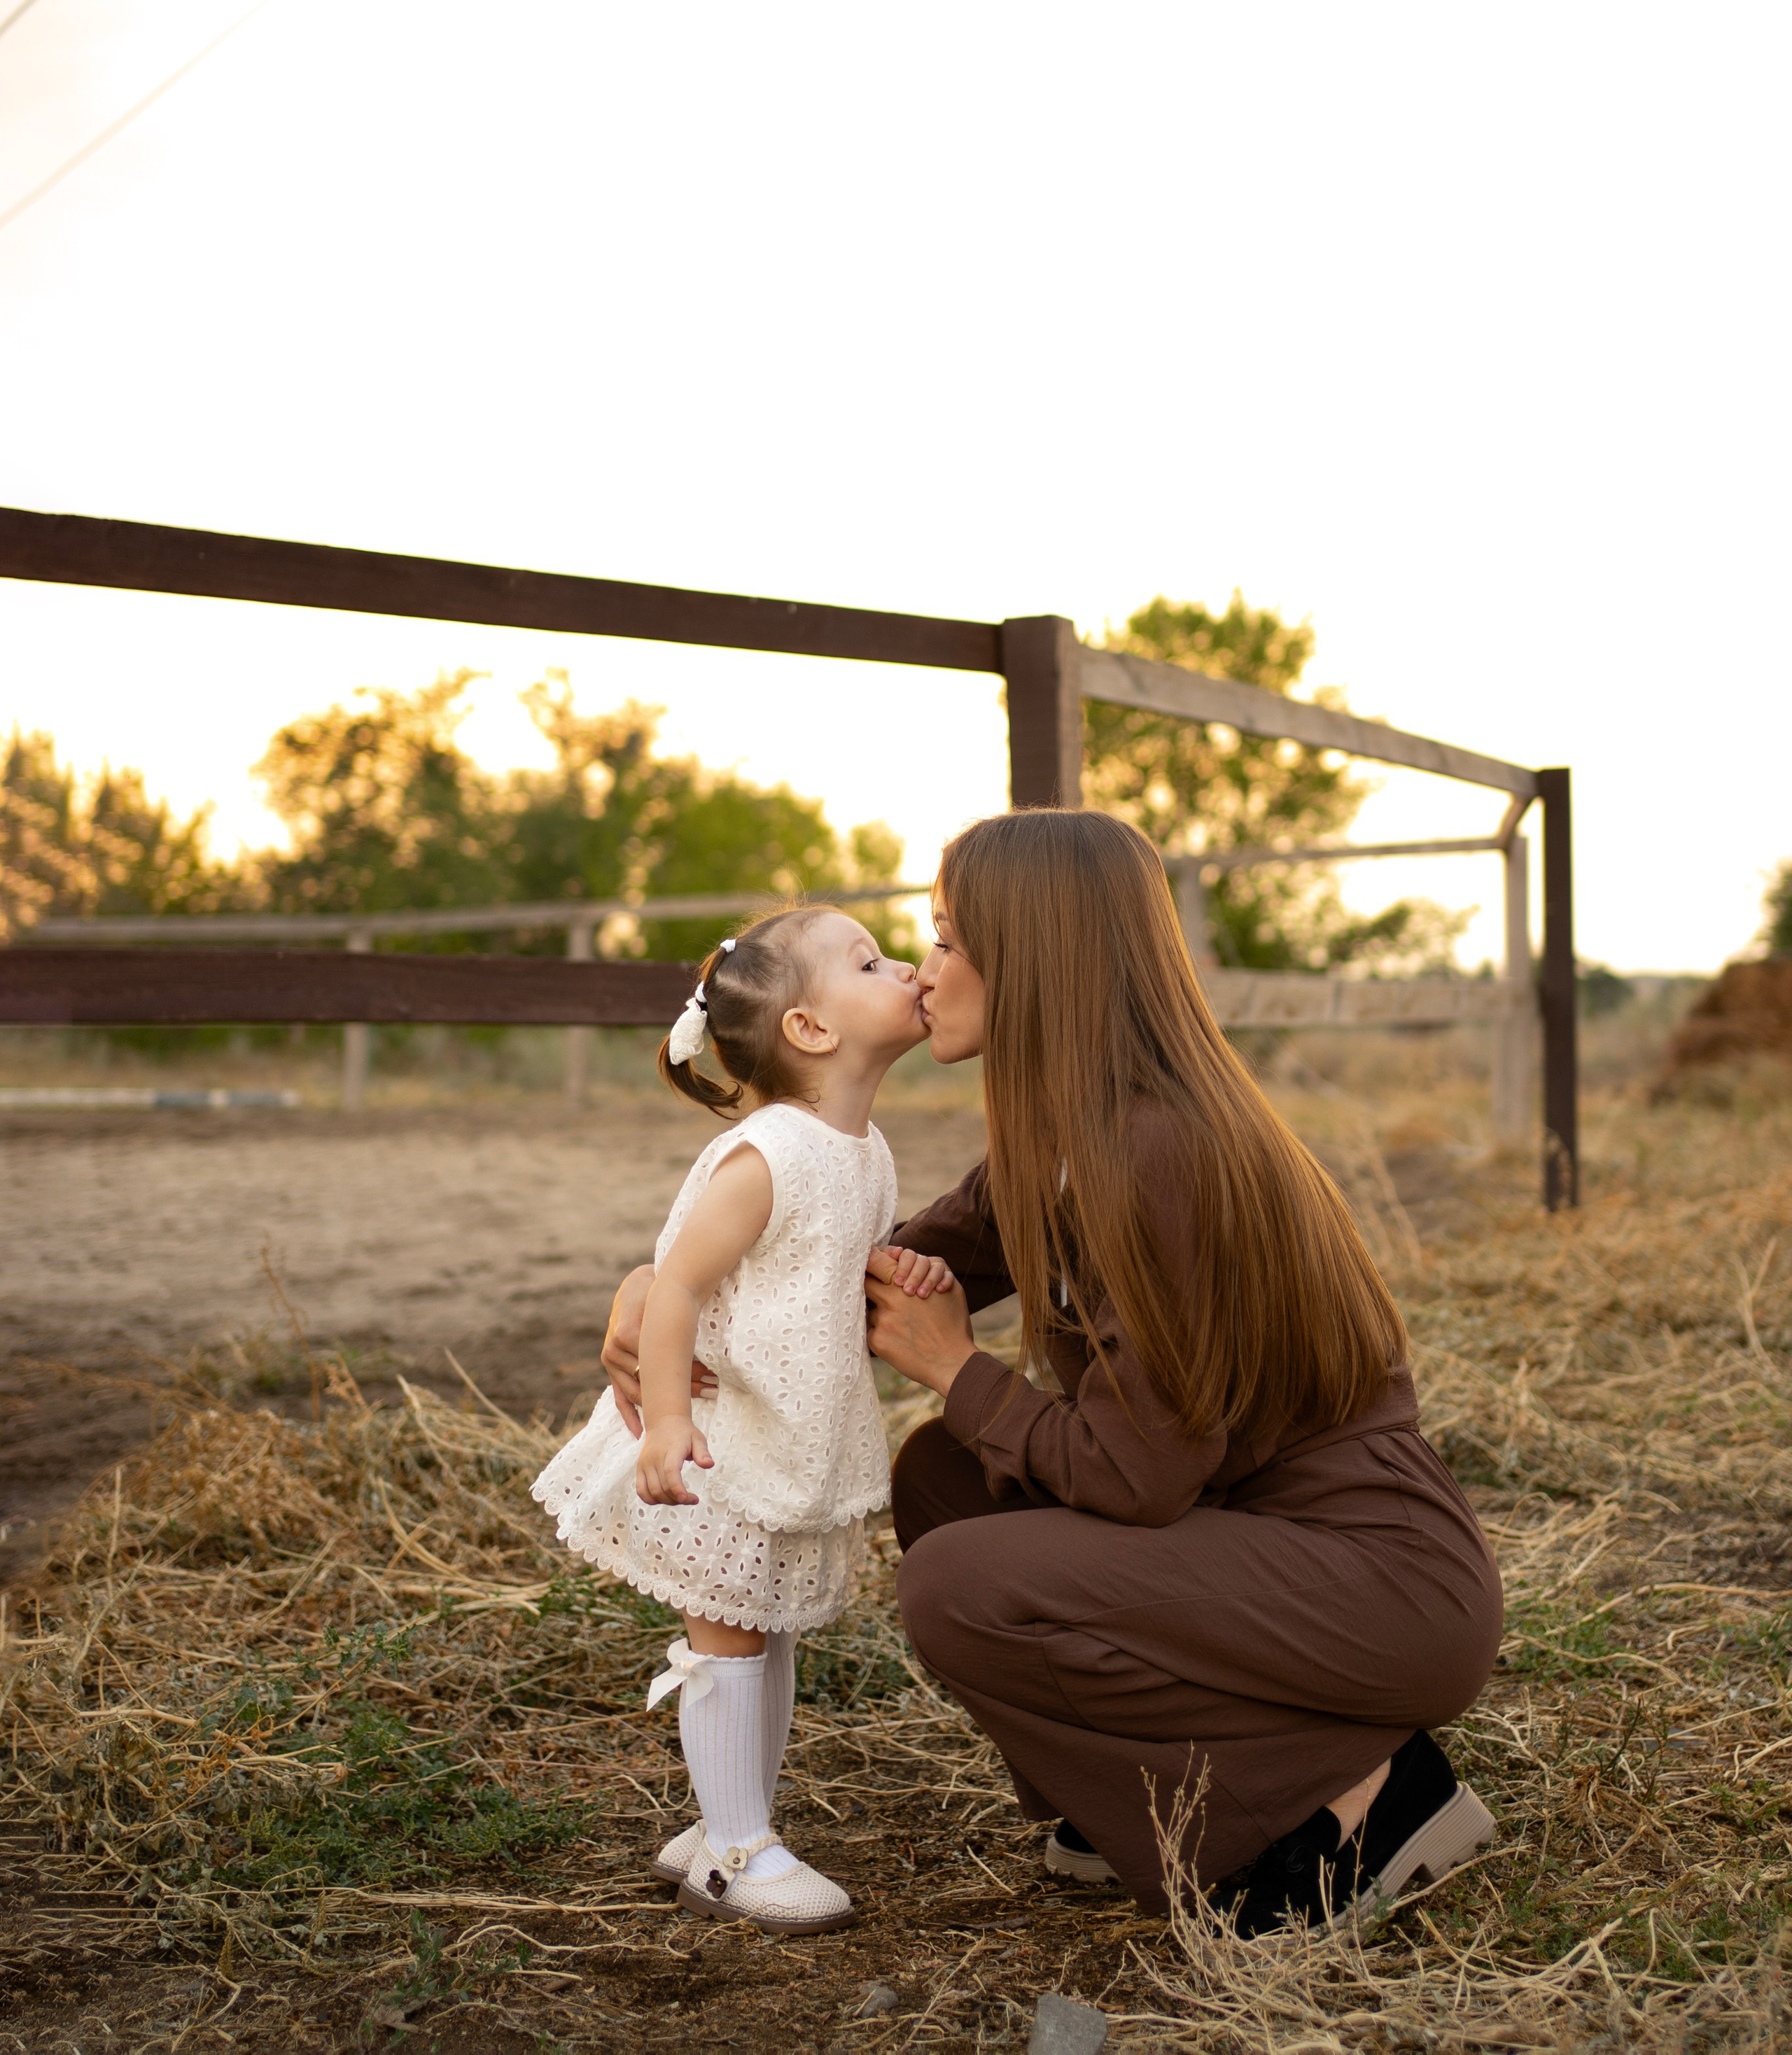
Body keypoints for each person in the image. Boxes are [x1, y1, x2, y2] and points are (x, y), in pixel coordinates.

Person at [862, 808, 1504, 1931]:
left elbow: (1141, 1477)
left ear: (1038, 960)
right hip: (1258, 1554)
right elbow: (875, 1270)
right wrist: (670, 1293)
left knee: (957, 1583)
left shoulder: (1156, 1149)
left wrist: (958, 1365)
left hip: (1378, 1584)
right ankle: (1154, 1799)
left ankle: (1368, 1796)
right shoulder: (1059, 1139)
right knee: (943, 1481)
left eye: (949, 942)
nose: (923, 975)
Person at [533, 905, 953, 1937]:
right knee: (727, 1639)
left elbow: (824, 1267)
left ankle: (729, 1819)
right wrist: (667, 1421)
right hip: (720, 1438)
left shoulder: (859, 1147)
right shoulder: (767, 1153)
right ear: (810, 1030)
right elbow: (673, 1287)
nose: (906, 964)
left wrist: (907, 1265)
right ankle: (731, 1853)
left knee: (763, 1635)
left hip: (789, 1433)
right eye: (871, 959)